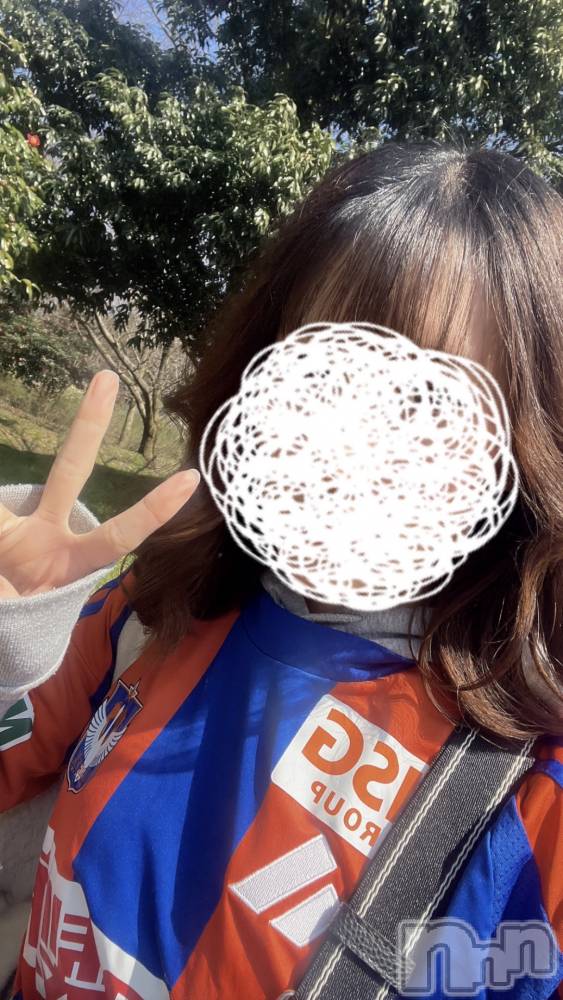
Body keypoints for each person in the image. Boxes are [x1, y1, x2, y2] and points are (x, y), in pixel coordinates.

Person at [0, 141, 561, 1000]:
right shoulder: (151, 604)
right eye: (324, 371)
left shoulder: (532, 788)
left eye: (427, 404)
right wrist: (14, 633)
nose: (353, 445)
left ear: (522, 446)